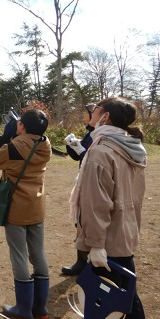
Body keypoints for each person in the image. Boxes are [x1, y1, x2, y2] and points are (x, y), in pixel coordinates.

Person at [72, 98, 149, 319]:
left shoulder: (101, 151)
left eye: (95, 111)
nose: (91, 115)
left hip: (108, 242)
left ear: (105, 117)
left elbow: (96, 204)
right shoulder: (133, 148)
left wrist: (94, 244)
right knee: (131, 304)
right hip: (126, 235)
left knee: (110, 306)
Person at [0, 109, 52, 319]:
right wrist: (20, 132)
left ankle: (24, 308)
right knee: (38, 254)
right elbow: (28, 144)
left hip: (17, 207)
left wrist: (6, 136)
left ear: (22, 126)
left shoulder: (14, 146)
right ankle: (40, 307)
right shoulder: (45, 143)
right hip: (37, 205)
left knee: (19, 256)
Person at [61, 103, 95, 275]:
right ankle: (82, 261)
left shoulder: (99, 134)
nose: (83, 116)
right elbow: (78, 157)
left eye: (86, 113)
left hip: (91, 181)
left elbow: (91, 159)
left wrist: (82, 150)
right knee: (80, 221)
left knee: (85, 221)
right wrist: (71, 144)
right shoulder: (90, 132)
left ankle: (85, 263)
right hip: (83, 178)